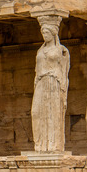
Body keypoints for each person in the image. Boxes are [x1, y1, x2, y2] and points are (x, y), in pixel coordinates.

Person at [31, 20, 70, 152]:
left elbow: (65, 70)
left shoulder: (61, 50)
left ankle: (53, 144)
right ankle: (40, 144)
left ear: (53, 34)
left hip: (54, 82)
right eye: (43, 32)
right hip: (41, 82)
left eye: (47, 32)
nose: (44, 35)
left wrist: (63, 89)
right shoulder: (40, 51)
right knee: (36, 112)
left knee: (52, 112)